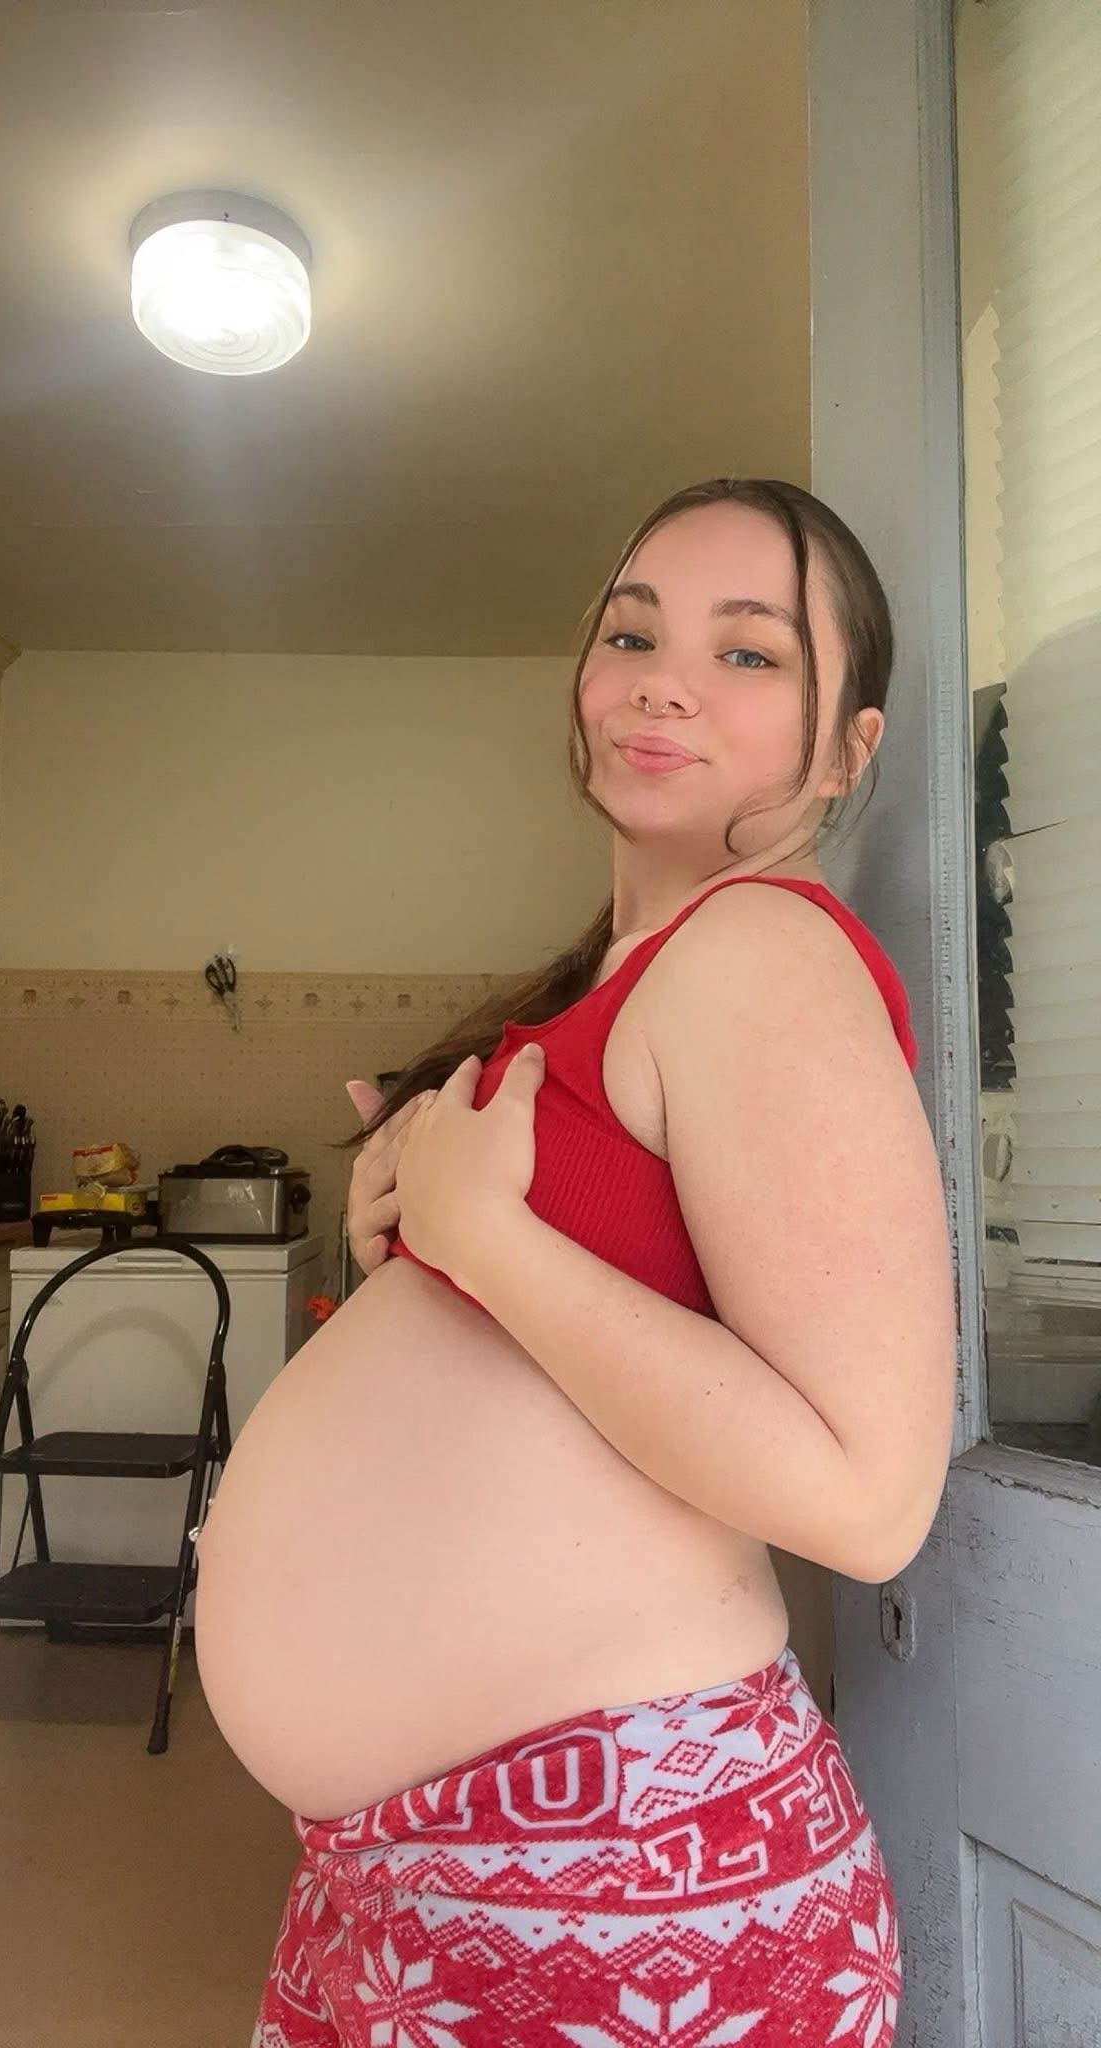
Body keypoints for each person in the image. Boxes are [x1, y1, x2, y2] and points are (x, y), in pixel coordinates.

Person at [194, 478, 955, 2048]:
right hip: (417, 1869)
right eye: (631, 635)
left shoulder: (762, 949)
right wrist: (416, 1245)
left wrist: (486, 1239)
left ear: (847, 748)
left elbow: (869, 1500)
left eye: (749, 653)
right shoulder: (617, 983)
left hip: (620, 1871)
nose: (665, 681)